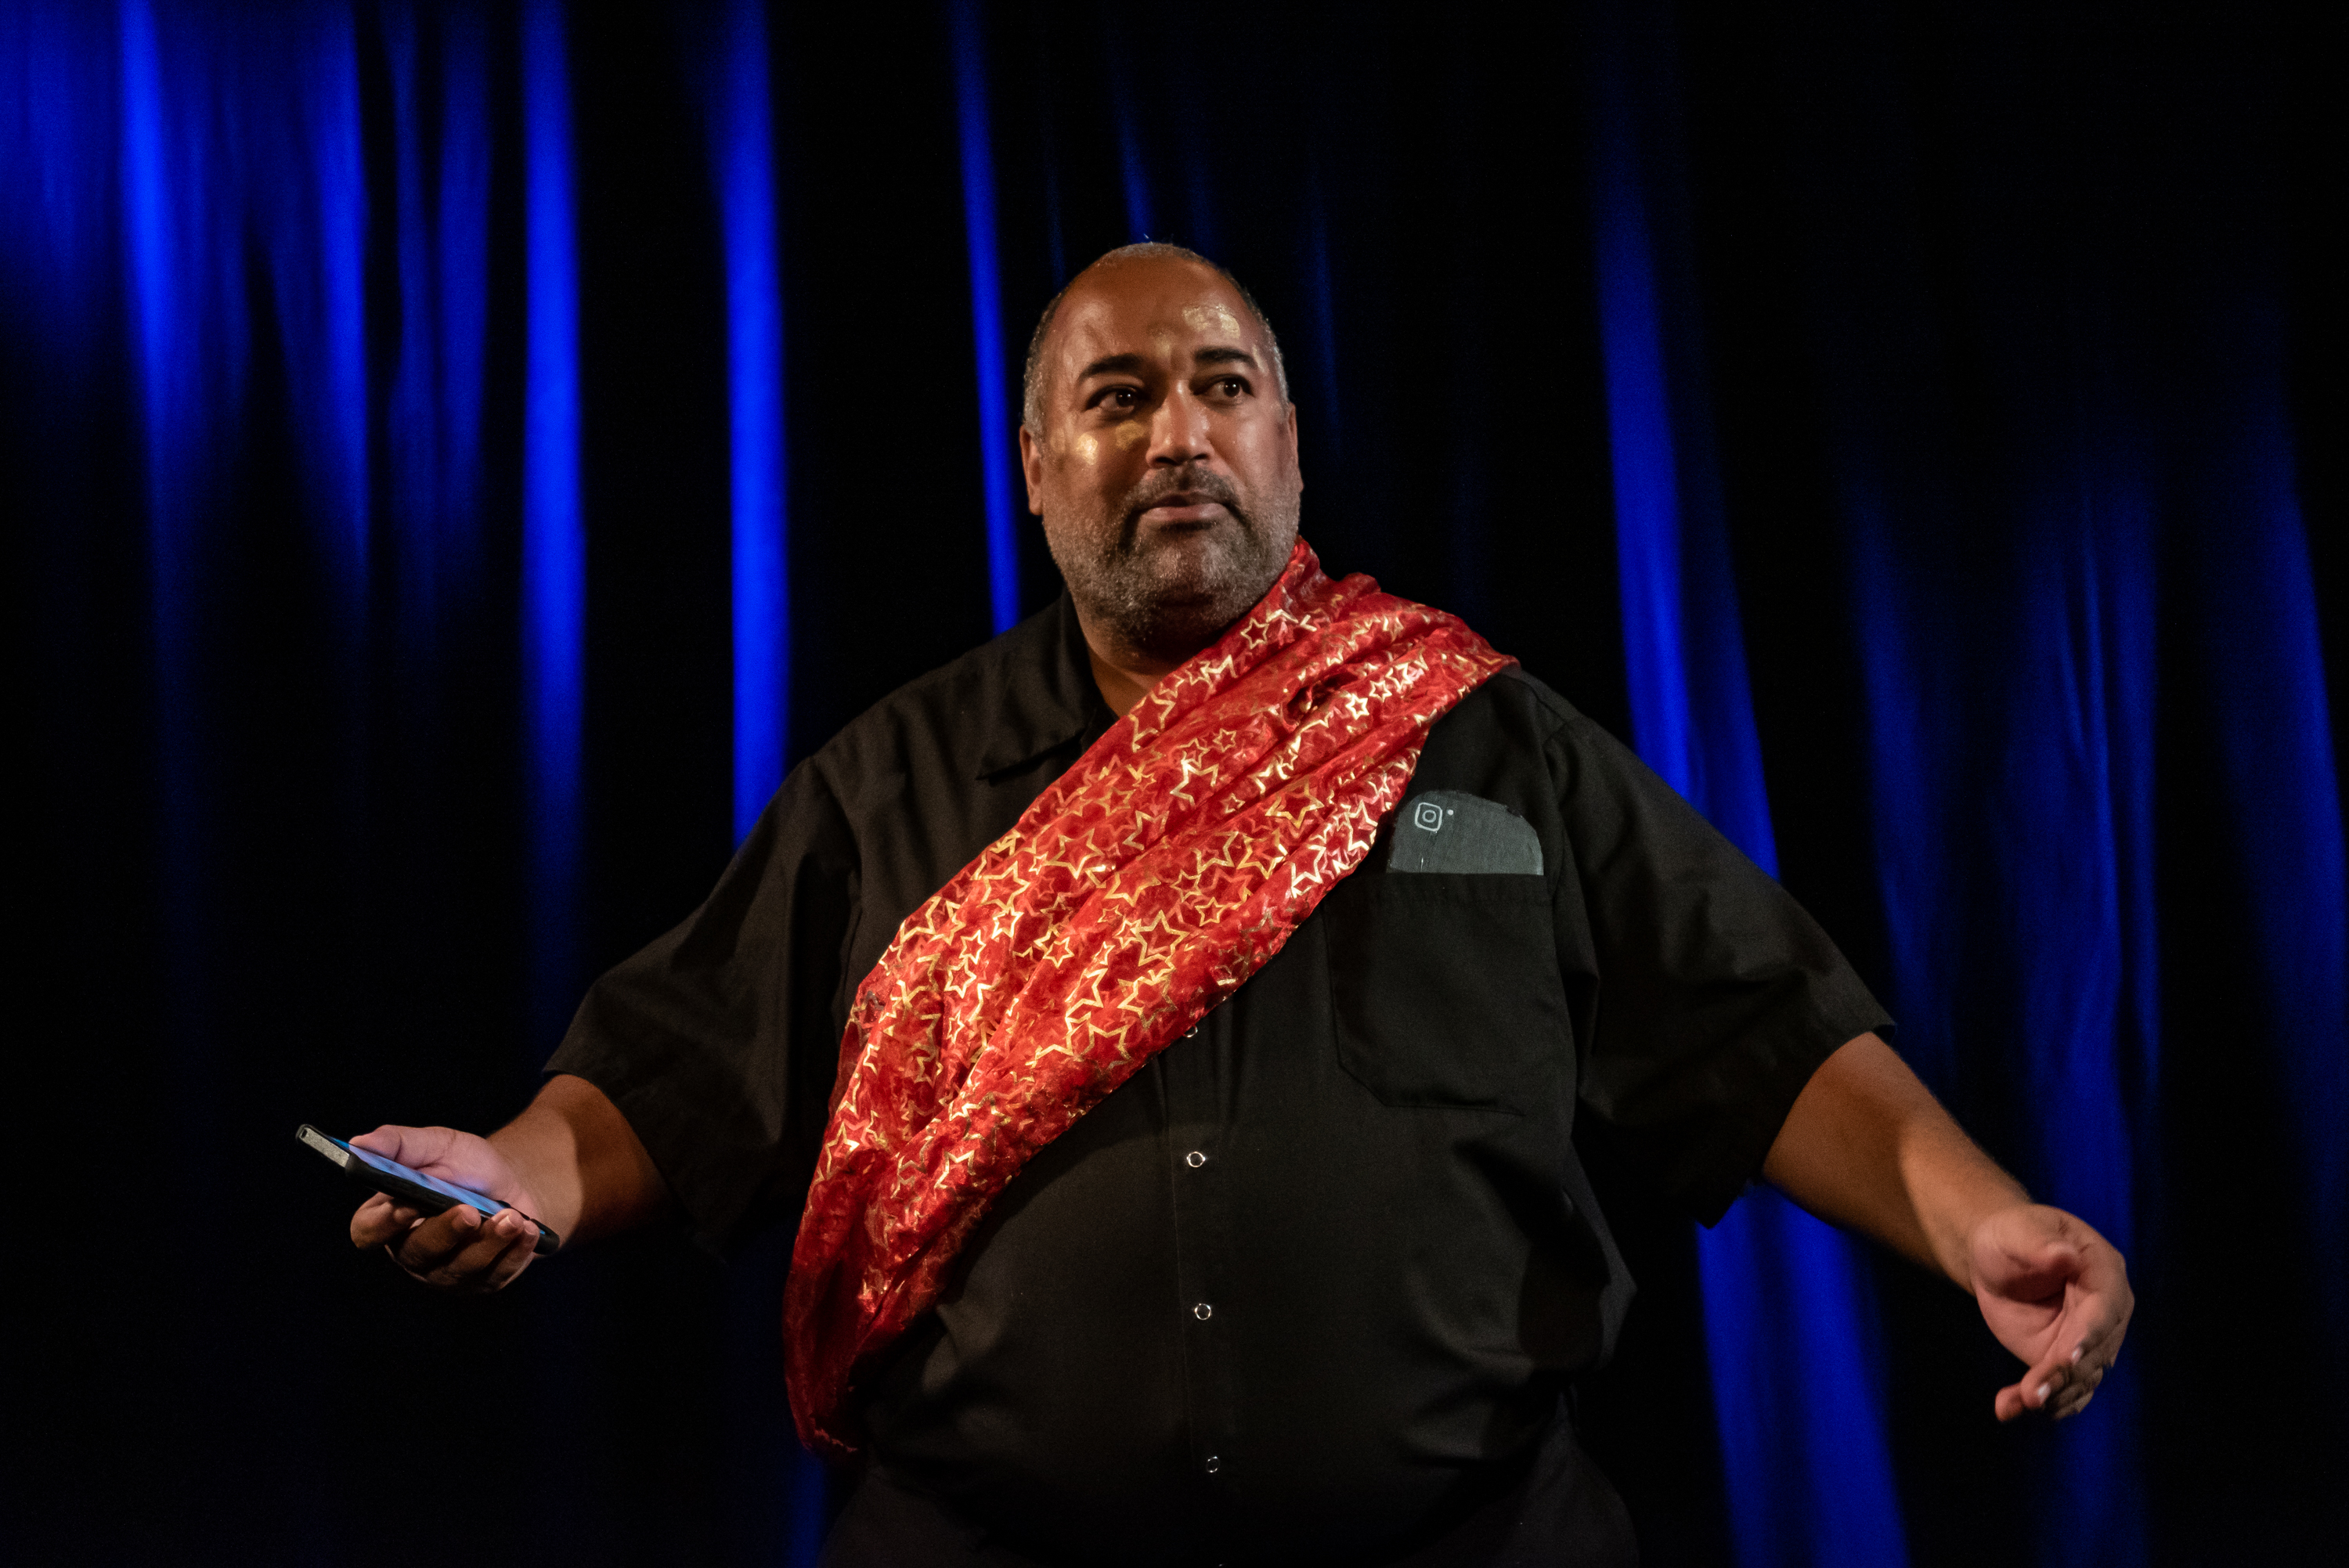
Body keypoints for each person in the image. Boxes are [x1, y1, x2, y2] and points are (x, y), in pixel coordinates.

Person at [348, 243, 2132, 1566]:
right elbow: (682, 1066)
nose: (1177, 433)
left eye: (1222, 385)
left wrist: (1981, 1222)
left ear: (1289, 443)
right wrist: (519, 1172)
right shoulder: (890, 790)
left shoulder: (1480, 743)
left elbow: (1753, 1023)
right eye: (1117, 400)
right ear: (1040, 470)